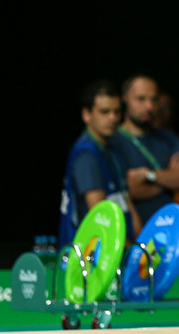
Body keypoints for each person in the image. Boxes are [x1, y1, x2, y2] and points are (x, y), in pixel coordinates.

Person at [59, 79, 141, 249]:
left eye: (117, 112)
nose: (112, 118)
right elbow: (99, 218)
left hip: (117, 252)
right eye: (104, 112)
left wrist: (140, 244)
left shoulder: (113, 152)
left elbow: (126, 202)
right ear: (86, 114)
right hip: (91, 260)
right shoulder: (86, 156)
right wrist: (131, 249)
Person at [114, 74, 179, 224]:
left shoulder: (168, 138)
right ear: (125, 98)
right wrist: (168, 181)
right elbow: (125, 189)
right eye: (141, 99)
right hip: (135, 233)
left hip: (170, 227)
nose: (149, 106)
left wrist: (150, 176)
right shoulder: (114, 140)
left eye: (154, 100)